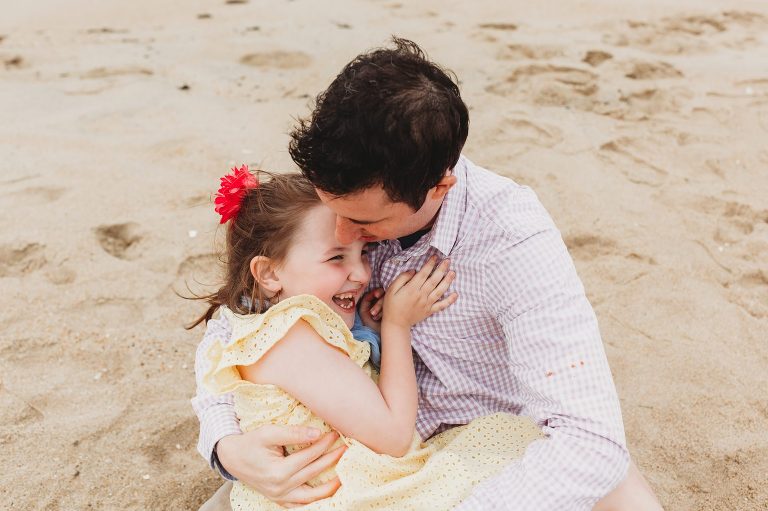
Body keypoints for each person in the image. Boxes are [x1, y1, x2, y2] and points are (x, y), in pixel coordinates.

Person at [192, 39, 663, 510]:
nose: (342, 232)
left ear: (439, 186)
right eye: (333, 209)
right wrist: (225, 447)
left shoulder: (513, 241)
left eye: (364, 226)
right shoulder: (342, 183)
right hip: (353, 452)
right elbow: (241, 321)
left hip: (484, 445)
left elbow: (588, 441)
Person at [193, 167, 545, 510]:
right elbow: (393, 437)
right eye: (336, 257)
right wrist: (396, 326)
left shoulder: (272, 325)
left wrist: (367, 334)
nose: (362, 273)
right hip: (348, 492)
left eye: (363, 253)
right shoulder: (288, 336)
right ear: (269, 273)